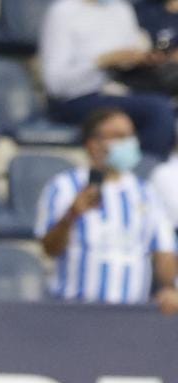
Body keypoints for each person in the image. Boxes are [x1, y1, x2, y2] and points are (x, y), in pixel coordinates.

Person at [37, 106, 178, 312]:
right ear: (94, 144)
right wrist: (71, 215)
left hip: (129, 317)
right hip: (72, 314)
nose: (130, 143)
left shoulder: (146, 193)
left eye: (131, 136)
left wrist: (169, 287)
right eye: (120, 137)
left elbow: (163, 251)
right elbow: (50, 249)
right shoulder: (63, 187)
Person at [41, 0, 176, 161]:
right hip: (77, 98)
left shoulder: (121, 9)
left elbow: (134, 51)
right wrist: (101, 62)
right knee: (158, 110)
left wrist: (145, 57)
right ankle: (146, 176)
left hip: (123, 88)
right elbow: (55, 84)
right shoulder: (63, 11)